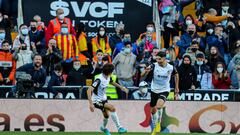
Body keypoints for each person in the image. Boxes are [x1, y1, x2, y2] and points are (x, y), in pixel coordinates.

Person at [141, 51, 179, 135]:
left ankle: (159, 122)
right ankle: (155, 127)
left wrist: (176, 87)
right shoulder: (153, 66)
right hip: (154, 90)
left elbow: (176, 75)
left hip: (164, 90)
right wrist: (146, 71)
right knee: (153, 111)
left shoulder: (170, 67)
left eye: (159, 59)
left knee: (158, 106)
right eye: (157, 59)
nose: (158, 60)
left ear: (164, 58)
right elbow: (142, 75)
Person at [87, 63, 128, 135]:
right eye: (112, 71)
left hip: (103, 99)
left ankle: (103, 128)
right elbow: (89, 90)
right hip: (96, 101)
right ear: (109, 72)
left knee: (106, 115)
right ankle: (119, 127)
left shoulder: (108, 77)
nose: (113, 72)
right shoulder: (98, 79)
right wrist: (90, 104)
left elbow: (112, 82)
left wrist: (121, 87)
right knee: (112, 108)